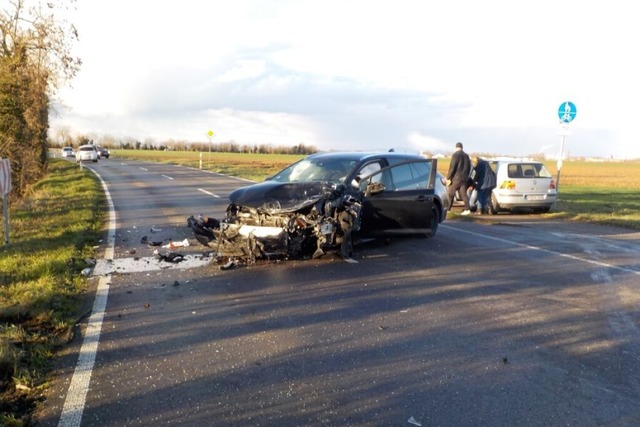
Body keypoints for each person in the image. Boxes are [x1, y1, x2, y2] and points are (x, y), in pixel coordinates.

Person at [446, 142, 472, 215]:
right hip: (464, 178)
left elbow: (452, 167)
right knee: (463, 194)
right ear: (462, 148)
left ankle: (448, 209)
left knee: (451, 193)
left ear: (456, 148)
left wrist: (448, 177)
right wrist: (466, 176)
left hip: (456, 178)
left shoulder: (455, 155)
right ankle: (467, 209)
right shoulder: (467, 156)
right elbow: (469, 167)